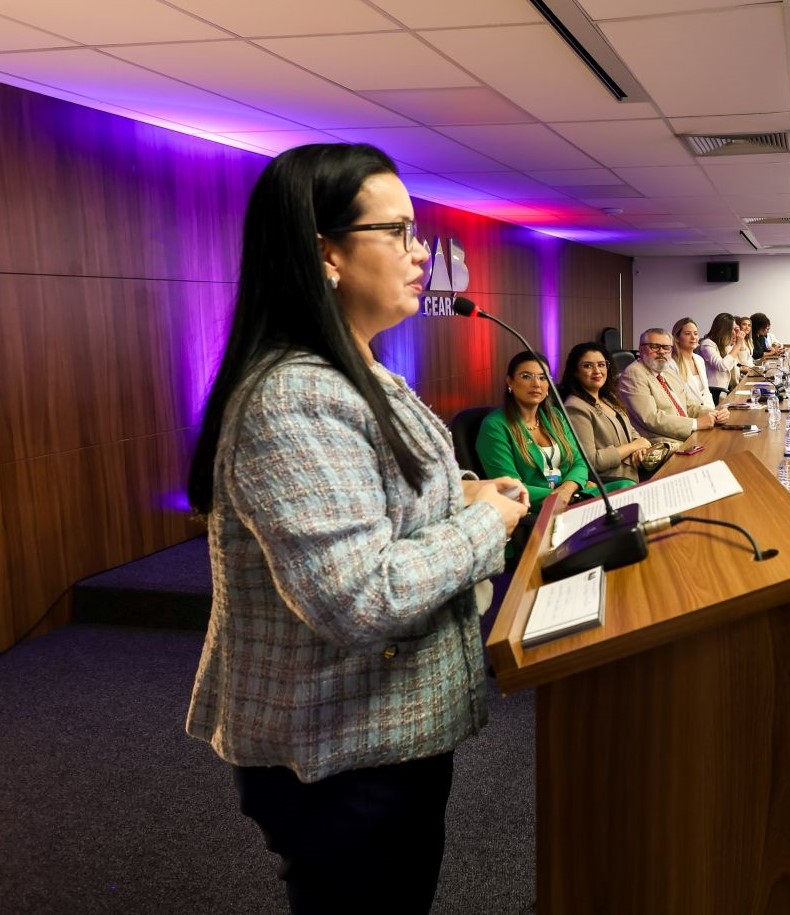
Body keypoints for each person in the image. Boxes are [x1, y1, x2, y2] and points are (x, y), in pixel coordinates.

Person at [184, 143, 529, 915]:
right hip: (338, 754)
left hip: (380, 736)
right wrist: (485, 525)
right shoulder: (291, 397)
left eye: (421, 234)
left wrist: (469, 491)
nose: (421, 255)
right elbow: (357, 594)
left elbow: (383, 500)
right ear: (326, 253)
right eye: (401, 232)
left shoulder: (359, 368)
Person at [477, 352, 628, 512]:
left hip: (572, 496)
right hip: (538, 507)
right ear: (510, 382)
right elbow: (510, 487)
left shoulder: (555, 416)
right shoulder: (494, 426)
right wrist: (561, 496)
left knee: (627, 488)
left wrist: (568, 490)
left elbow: (579, 462)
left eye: (543, 378)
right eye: (526, 376)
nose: (536, 384)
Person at [559, 342, 652, 486]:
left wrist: (639, 447)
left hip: (635, 471)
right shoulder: (575, 407)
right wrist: (633, 446)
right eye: (588, 366)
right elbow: (591, 461)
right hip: (611, 482)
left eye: (601, 365)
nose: (597, 371)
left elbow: (630, 430)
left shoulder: (608, 397)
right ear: (575, 372)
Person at [618, 327, 728, 444]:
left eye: (666, 348)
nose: (661, 351)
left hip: (685, 433)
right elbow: (651, 418)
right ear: (641, 349)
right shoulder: (634, 374)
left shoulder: (667, 371)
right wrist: (696, 424)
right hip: (662, 441)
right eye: (655, 346)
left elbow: (689, 405)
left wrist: (714, 413)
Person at [667, 316, 715, 410]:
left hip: (708, 411)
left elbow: (706, 392)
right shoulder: (671, 364)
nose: (693, 337)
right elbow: (678, 399)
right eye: (687, 334)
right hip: (689, 414)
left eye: (696, 333)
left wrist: (713, 411)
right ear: (676, 338)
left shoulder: (699, 360)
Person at [697, 313, 743, 404]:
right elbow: (722, 366)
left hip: (726, 390)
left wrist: (738, 343)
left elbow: (738, 364)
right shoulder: (707, 344)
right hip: (714, 393)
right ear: (724, 330)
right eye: (733, 329)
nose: (735, 332)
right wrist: (738, 345)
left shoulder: (726, 345)